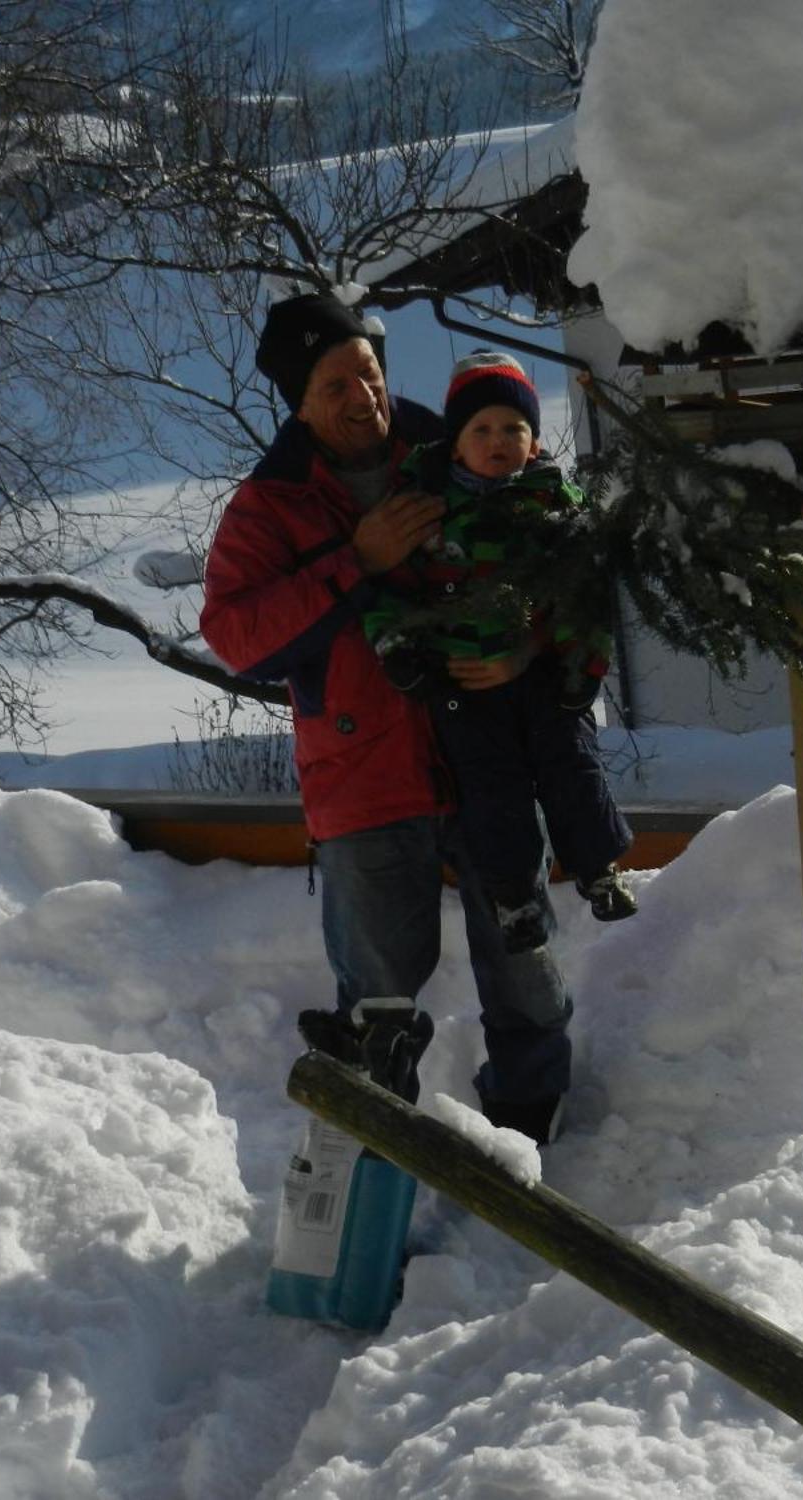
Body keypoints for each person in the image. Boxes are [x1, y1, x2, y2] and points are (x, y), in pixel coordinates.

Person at [200, 292, 574, 1144]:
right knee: (378, 998)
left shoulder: (464, 445)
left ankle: (534, 1127)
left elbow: (562, 562)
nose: (362, 395)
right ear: (299, 399)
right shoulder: (270, 505)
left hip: (492, 756)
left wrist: (527, 651)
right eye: (335, 385)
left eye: (367, 372)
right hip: (363, 779)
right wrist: (356, 563)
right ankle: (379, 1153)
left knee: (524, 966)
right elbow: (238, 638)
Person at [362, 351, 637, 955]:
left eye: (513, 428)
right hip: (463, 682)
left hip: (542, 676)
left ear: (534, 440)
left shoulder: (554, 502)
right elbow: (389, 591)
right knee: (491, 792)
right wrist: (403, 652)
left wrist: (582, 668)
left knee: (571, 764)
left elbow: (587, 594)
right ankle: (514, 899)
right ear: (455, 443)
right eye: (480, 429)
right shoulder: (427, 507)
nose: (497, 442)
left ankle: (599, 869)